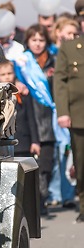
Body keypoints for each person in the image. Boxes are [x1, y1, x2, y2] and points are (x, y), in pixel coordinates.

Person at [14, 24, 57, 215]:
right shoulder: (21, 62)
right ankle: (35, 204)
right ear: (28, 41)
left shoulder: (54, 61)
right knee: (30, 168)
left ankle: (43, 198)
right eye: (34, 40)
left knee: (47, 165)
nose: (38, 44)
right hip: (29, 121)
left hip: (49, 119)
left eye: (41, 40)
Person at [54, 28, 84, 222]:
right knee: (81, 164)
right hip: (79, 115)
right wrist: (63, 111)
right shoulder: (69, 47)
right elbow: (60, 80)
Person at [0, 60, 40, 158]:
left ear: (14, 73)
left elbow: (31, 118)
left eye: (9, 73)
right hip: (1, 143)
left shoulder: (23, 93)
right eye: (3, 74)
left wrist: (35, 141)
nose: (7, 77)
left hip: (22, 143)